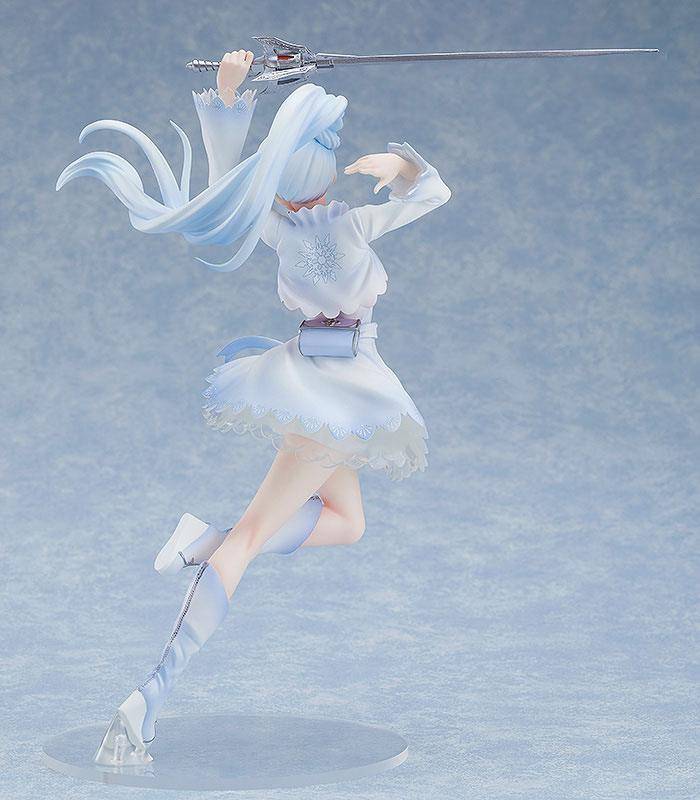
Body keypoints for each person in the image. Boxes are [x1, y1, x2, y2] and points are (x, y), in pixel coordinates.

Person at [57, 49, 450, 765]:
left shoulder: (284, 227)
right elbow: (434, 195)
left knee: (349, 524)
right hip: (337, 390)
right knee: (251, 542)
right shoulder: (351, 225)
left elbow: (223, 191)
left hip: (320, 385)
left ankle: (206, 538)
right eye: (325, 146)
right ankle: (148, 696)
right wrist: (404, 169)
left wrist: (230, 100)